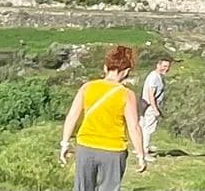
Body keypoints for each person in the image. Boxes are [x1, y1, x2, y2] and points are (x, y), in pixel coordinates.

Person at [60, 43, 150, 191]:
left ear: (105, 67)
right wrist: (141, 155)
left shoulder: (87, 87)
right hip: (113, 150)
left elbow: (72, 116)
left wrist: (64, 143)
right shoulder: (127, 95)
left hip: (86, 146)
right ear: (127, 71)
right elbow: (134, 126)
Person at [139, 58, 170, 158]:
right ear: (158, 65)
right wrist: (155, 108)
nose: (166, 69)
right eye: (164, 66)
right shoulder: (155, 77)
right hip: (150, 105)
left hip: (145, 104)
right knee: (148, 128)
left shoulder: (155, 75)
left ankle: (141, 148)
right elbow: (151, 94)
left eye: (168, 67)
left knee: (144, 127)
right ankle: (144, 152)